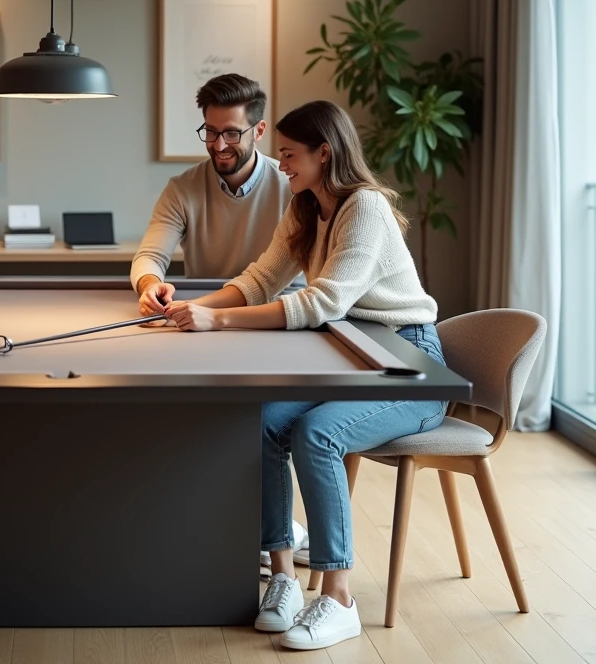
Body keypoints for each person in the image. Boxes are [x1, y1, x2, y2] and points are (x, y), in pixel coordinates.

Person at [160, 99, 445, 651]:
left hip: (409, 364)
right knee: (263, 421)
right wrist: (193, 311)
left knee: (319, 434)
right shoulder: (304, 204)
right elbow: (263, 279)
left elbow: (321, 303)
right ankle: (284, 577)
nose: (280, 163)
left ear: (325, 152)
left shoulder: (365, 207)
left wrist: (217, 320)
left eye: (289, 155)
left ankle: (338, 599)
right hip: (350, 353)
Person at [130, 73, 310, 573]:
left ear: (258, 130)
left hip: (276, 320)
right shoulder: (183, 187)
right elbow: (150, 254)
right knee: (186, 416)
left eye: (231, 132)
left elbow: (288, 279)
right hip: (204, 315)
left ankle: (269, 533)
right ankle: (248, 527)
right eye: (210, 132)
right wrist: (149, 286)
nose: (219, 144)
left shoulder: (294, 185)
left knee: (258, 420)